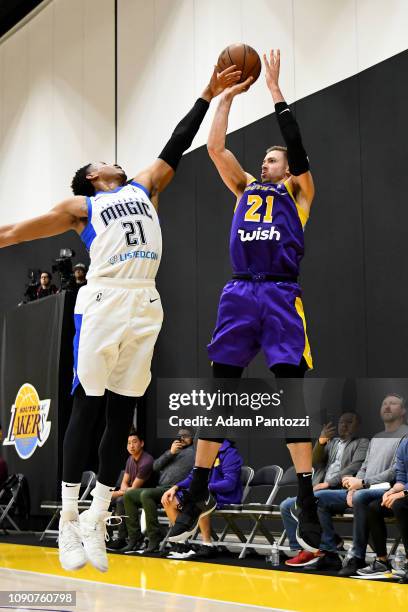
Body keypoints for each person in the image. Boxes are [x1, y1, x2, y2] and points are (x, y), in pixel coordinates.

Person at [0, 64, 241, 573]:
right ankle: (69, 518)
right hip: (105, 300)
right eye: (104, 159)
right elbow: (18, 230)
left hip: (145, 303)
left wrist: (207, 92)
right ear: (92, 175)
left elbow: (177, 143)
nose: (117, 159)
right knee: (87, 407)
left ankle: (97, 517)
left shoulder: (143, 186)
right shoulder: (84, 205)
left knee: (123, 415)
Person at [168, 49, 319, 552]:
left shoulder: (298, 192)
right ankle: (196, 485)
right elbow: (215, 149)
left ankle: (305, 494)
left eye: (271, 158)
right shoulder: (244, 189)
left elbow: (297, 149)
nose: (265, 162)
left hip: (279, 293)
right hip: (239, 290)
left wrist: (275, 92)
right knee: (220, 391)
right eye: (264, 159)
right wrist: (226, 99)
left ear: (287, 168)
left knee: (289, 396)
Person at [314, 394, 408, 577]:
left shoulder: (405, 435)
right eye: (384, 403)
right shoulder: (376, 437)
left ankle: (357, 556)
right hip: (365, 488)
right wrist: (354, 486)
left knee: (361, 498)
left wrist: (363, 484)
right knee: (317, 498)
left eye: (393, 403)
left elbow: (395, 472)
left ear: (403, 411)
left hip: (384, 488)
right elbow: (364, 466)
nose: (387, 406)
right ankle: (330, 550)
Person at [281, 412, 368, 569]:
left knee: (317, 499)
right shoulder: (332, 442)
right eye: (341, 422)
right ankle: (305, 548)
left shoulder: (362, 442)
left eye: (349, 422)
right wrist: (320, 443)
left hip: (343, 490)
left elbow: (355, 466)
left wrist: (328, 483)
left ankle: (329, 553)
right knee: (286, 505)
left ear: (358, 425)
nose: (344, 425)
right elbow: (312, 462)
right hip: (320, 489)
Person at [162, 439, 243, 559]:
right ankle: (182, 545)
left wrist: (204, 487)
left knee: (200, 497)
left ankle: (207, 545)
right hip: (207, 493)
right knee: (170, 499)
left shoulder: (230, 453)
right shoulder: (204, 453)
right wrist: (175, 487)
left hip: (225, 496)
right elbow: (193, 478)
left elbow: (229, 483)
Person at [121, 428, 194, 553]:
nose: (182, 438)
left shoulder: (194, 453)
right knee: (129, 495)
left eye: (186, 436)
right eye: (180, 436)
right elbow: (155, 466)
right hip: (161, 489)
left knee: (146, 494)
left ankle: (154, 537)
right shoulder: (173, 450)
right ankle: (134, 537)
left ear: (193, 438)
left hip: (176, 489)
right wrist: (170, 453)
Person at [356, 436, 408, 580]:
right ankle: (382, 561)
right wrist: (392, 492)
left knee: (399, 505)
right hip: (405, 492)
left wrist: (403, 493)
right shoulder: (404, 443)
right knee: (374, 506)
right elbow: (402, 478)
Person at [107, 431, 153, 550]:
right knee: (105, 501)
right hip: (130, 493)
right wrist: (119, 491)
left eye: (134, 442)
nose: (131, 446)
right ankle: (106, 537)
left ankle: (123, 538)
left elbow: (134, 488)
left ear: (141, 443)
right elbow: (124, 481)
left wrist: (117, 493)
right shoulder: (130, 459)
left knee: (120, 500)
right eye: (128, 443)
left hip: (144, 494)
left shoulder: (147, 461)